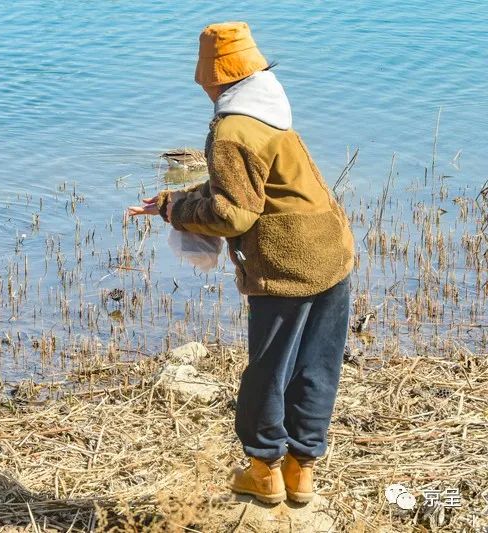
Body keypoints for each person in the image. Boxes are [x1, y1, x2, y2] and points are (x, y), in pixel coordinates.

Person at [127, 21, 354, 504]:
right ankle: (301, 472)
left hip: (286, 262)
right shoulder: (270, 109)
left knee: (268, 370)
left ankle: (263, 469)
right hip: (332, 251)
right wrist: (176, 199)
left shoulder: (231, 129)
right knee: (317, 367)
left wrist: (175, 211)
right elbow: (256, 190)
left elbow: (233, 212)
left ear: (211, 76)